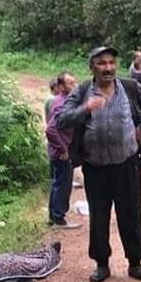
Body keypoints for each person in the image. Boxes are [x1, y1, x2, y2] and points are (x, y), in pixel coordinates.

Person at [57, 46, 141, 282]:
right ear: (92, 67)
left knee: (131, 215)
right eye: (102, 64)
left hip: (127, 164)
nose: (108, 68)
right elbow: (61, 119)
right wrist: (86, 108)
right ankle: (102, 264)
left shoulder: (129, 87)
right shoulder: (83, 91)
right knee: (99, 216)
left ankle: (135, 263)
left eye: (111, 63)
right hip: (95, 167)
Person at [44, 71, 79, 228]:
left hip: (57, 150)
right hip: (61, 153)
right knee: (63, 184)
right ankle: (59, 218)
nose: (74, 86)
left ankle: (54, 216)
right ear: (61, 86)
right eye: (70, 83)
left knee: (57, 183)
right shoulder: (61, 104)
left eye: (74, 82)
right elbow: (50, 129)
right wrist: (63, 149)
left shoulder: (61, 101)